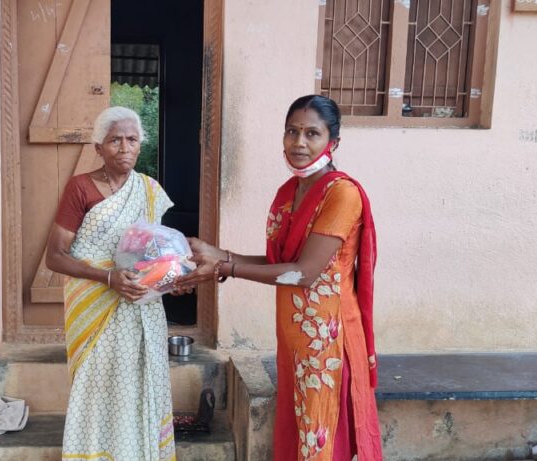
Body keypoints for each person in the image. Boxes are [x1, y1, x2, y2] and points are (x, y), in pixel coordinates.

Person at [176, 95, 383, 460]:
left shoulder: (342, 193)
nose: (299, 142)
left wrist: (224, 268)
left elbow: (303, 274)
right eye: (292, 131)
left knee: (321, 438)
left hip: (328, 340)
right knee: (300, 431)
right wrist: (218, 254)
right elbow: (280, 263)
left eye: (311, 134)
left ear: (332, 142)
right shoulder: (290, 193)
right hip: (296, 338)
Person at [44, 106, 178, 461]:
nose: (124, 147)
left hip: (140, 307)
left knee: (135, 386)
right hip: (95, 309)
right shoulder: (80, 189)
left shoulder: (148, 190)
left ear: (140, 144)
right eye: (114, 140)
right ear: (98, 147)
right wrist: (108, 278)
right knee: (97, 386)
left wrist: (171, 278)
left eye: (132, 139)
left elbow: (157, 251)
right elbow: (55, 256)